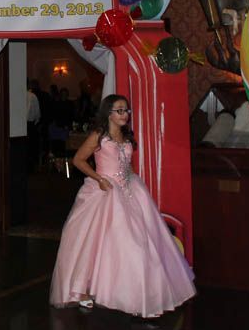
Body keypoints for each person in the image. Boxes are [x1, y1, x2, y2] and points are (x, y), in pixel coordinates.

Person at [50, 94, 196, 316]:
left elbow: (126, 166)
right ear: (108, 113)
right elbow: (78, 160)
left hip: (129, 189)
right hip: (104, 191)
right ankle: (83, 290)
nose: (124, 114)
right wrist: (99, 179)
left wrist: (134, 183)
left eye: (126, 110)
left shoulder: (127, 137)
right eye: (119, 110)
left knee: (139, 241)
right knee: (96, 243)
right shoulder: (99, 136)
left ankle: (137, 292)